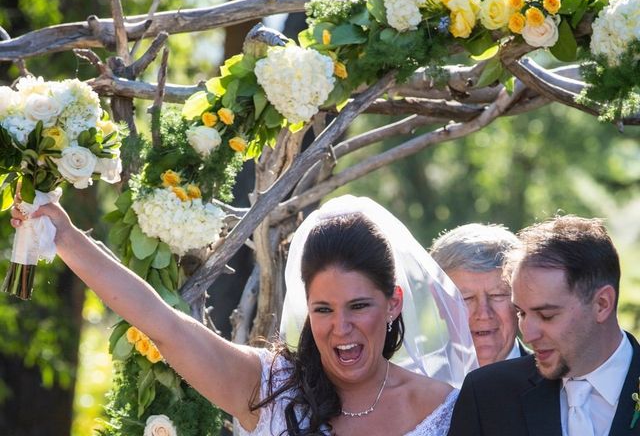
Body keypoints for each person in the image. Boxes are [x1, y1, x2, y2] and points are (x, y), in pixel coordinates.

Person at [11, 194, 476, 436]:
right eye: (323, 309)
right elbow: (163, 323)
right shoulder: (269, 389)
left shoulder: (446, 410)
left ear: (393, 302)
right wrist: (67, 239)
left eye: (359, 306)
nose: (341, 327)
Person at [447, 215, 640, 436]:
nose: (527, 335)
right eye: (521, 313)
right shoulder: (487, 395)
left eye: (547, 315)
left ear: (602, 304)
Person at [429, 223, 528, 367]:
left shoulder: (559, 383)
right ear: (439, 301)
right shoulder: (411, 383)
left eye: (497, 295)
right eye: (466, 298)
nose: (483, 313)